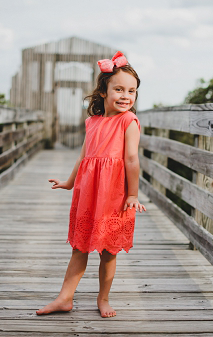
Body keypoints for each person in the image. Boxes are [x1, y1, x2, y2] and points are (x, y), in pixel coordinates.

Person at [37, 51, 146, 318]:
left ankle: (103, 298)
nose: (125, 96)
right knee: (79, 247)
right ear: (103, 92)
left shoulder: (128, 121)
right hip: (88, 193)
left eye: (131, 91)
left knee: (108, 251)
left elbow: (132, 159)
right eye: (119, 89)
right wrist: (69, 182)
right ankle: (65, 298)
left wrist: (133, 193)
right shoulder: (92, 123)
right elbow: (84, 157)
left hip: (113, 195)